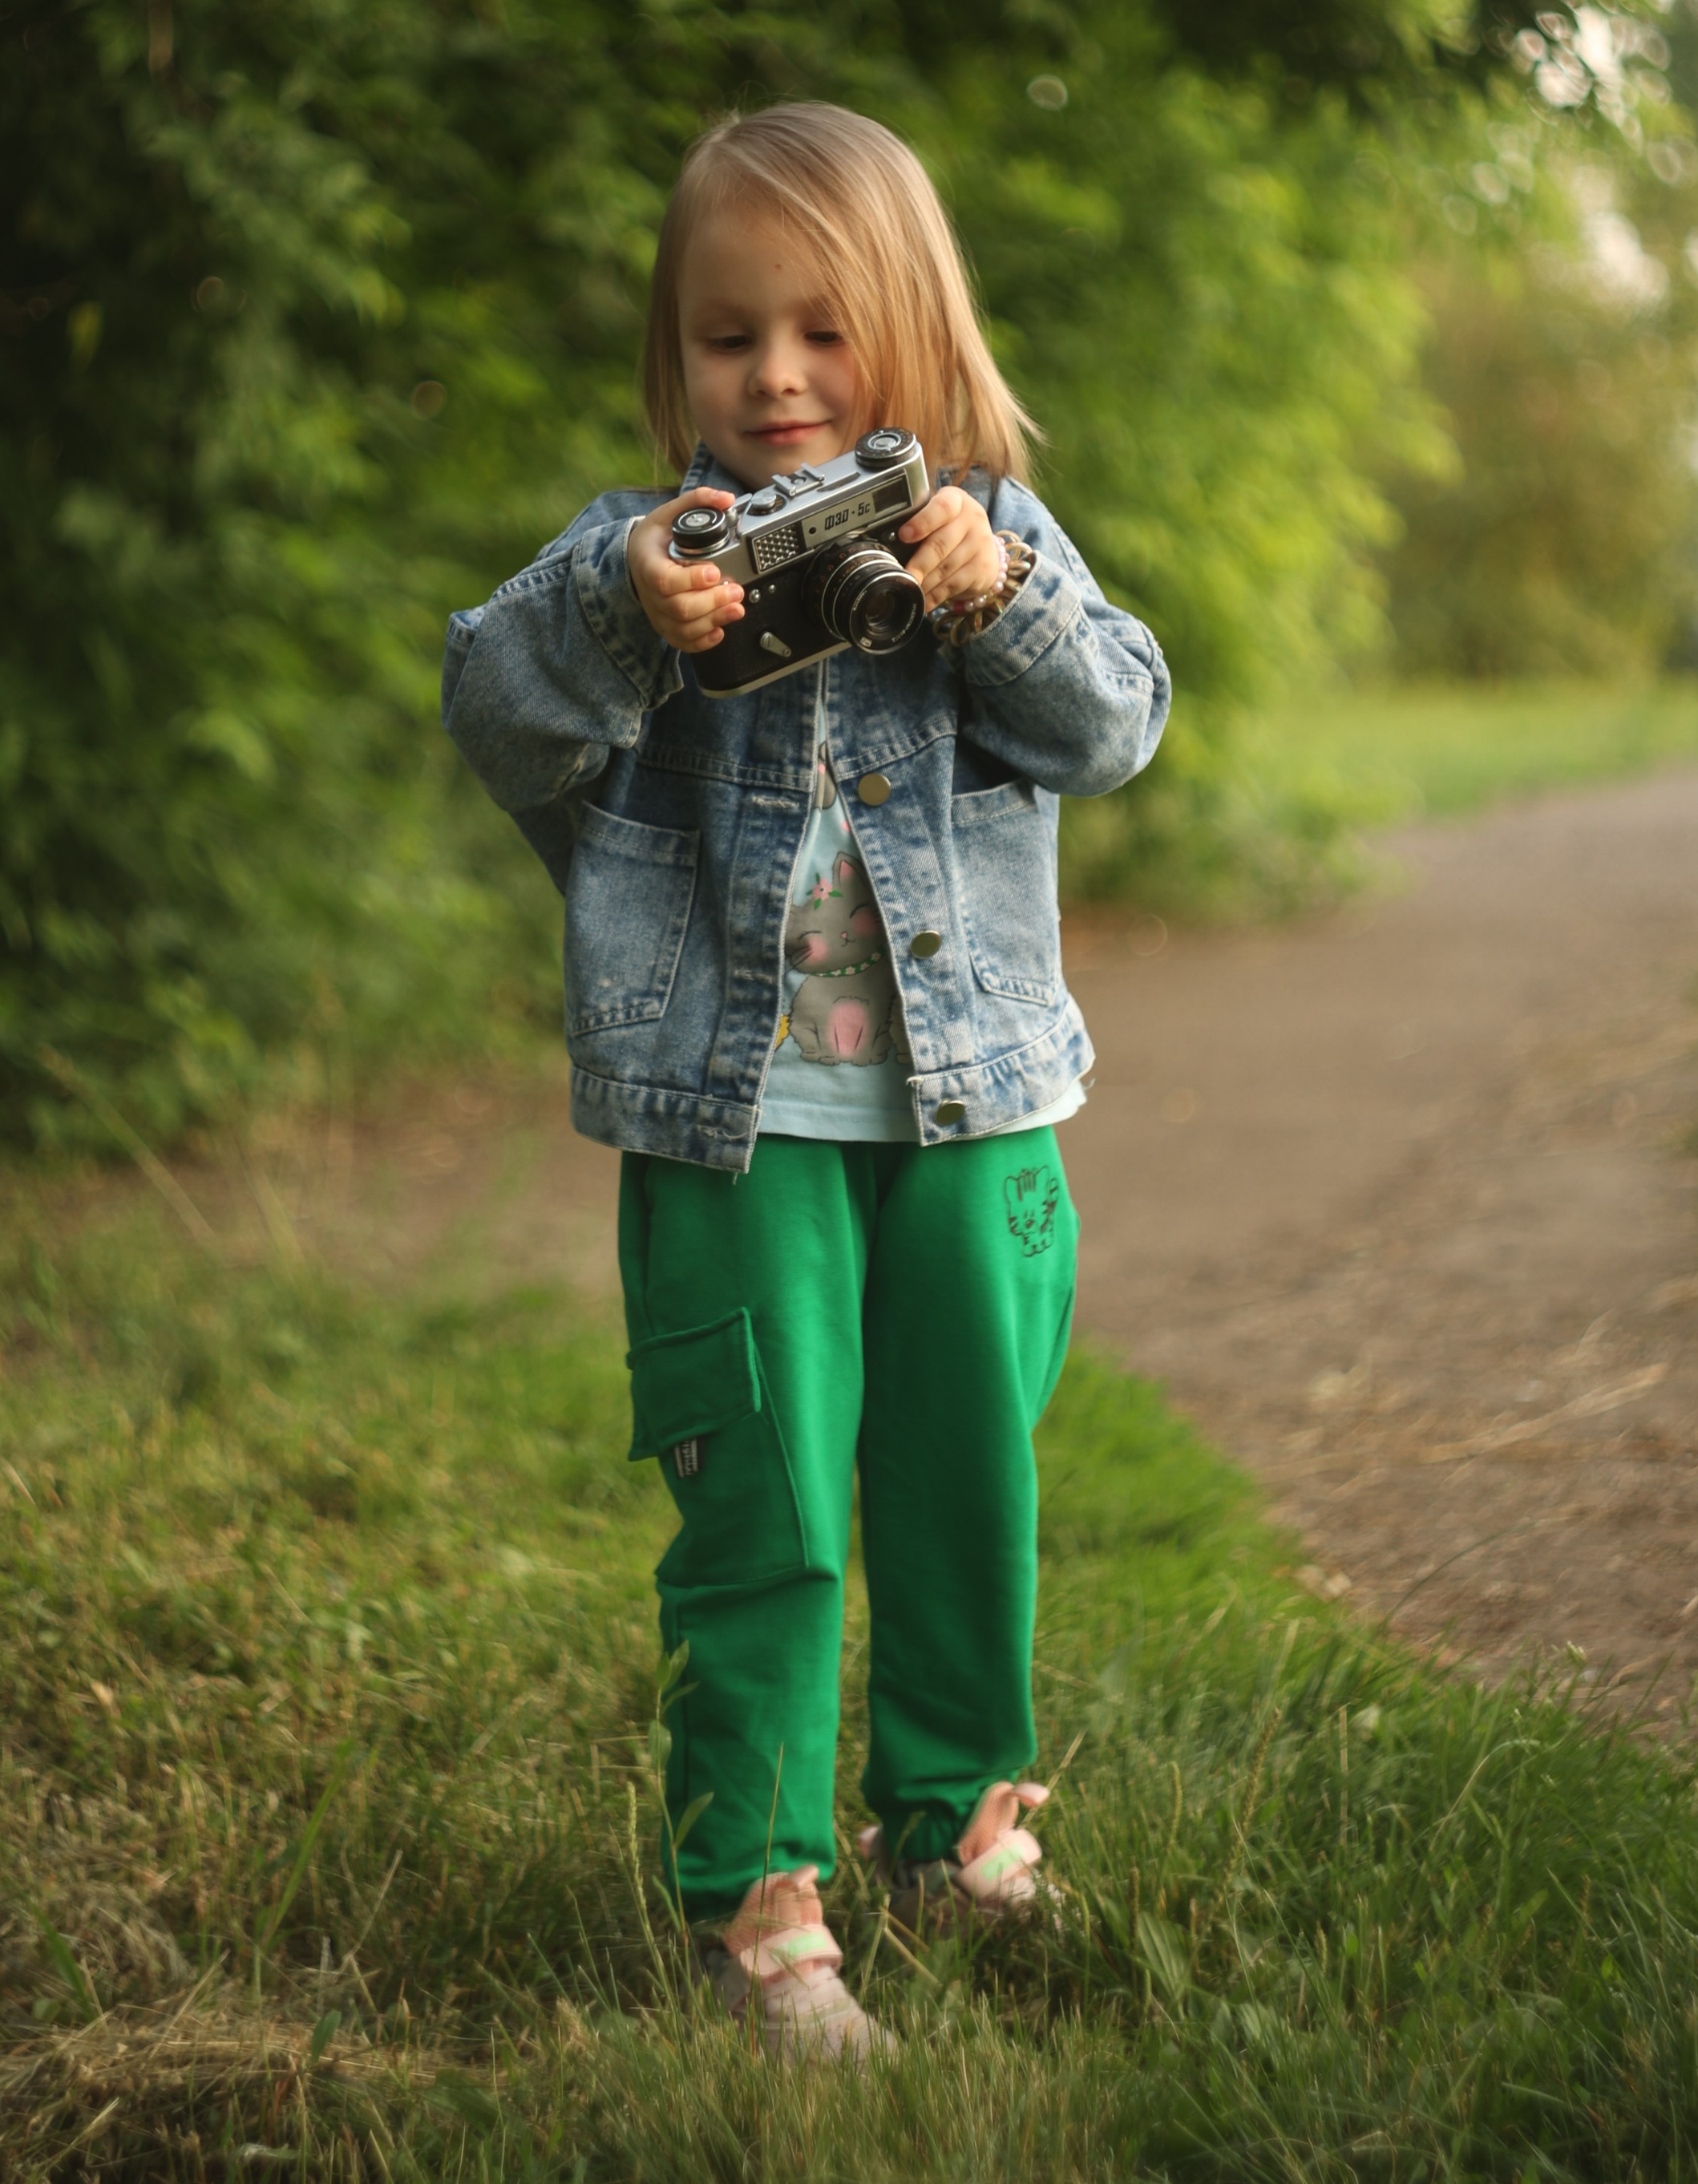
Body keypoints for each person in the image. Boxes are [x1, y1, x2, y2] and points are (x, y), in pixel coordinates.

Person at [442, 102, 1170, 2058]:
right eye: (725, 336)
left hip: (973, 1109)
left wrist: (988, 593)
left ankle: (957, 1824)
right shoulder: (646, 561)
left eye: (824, 333)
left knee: (963, 1478)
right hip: (727, 1116)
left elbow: (1116, 727)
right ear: (672, 355)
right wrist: (622, 615)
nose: (773, 378)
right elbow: (489, 712)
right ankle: (758, 1899)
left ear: (915, 332)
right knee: (761, 1496)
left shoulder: (989, 532)